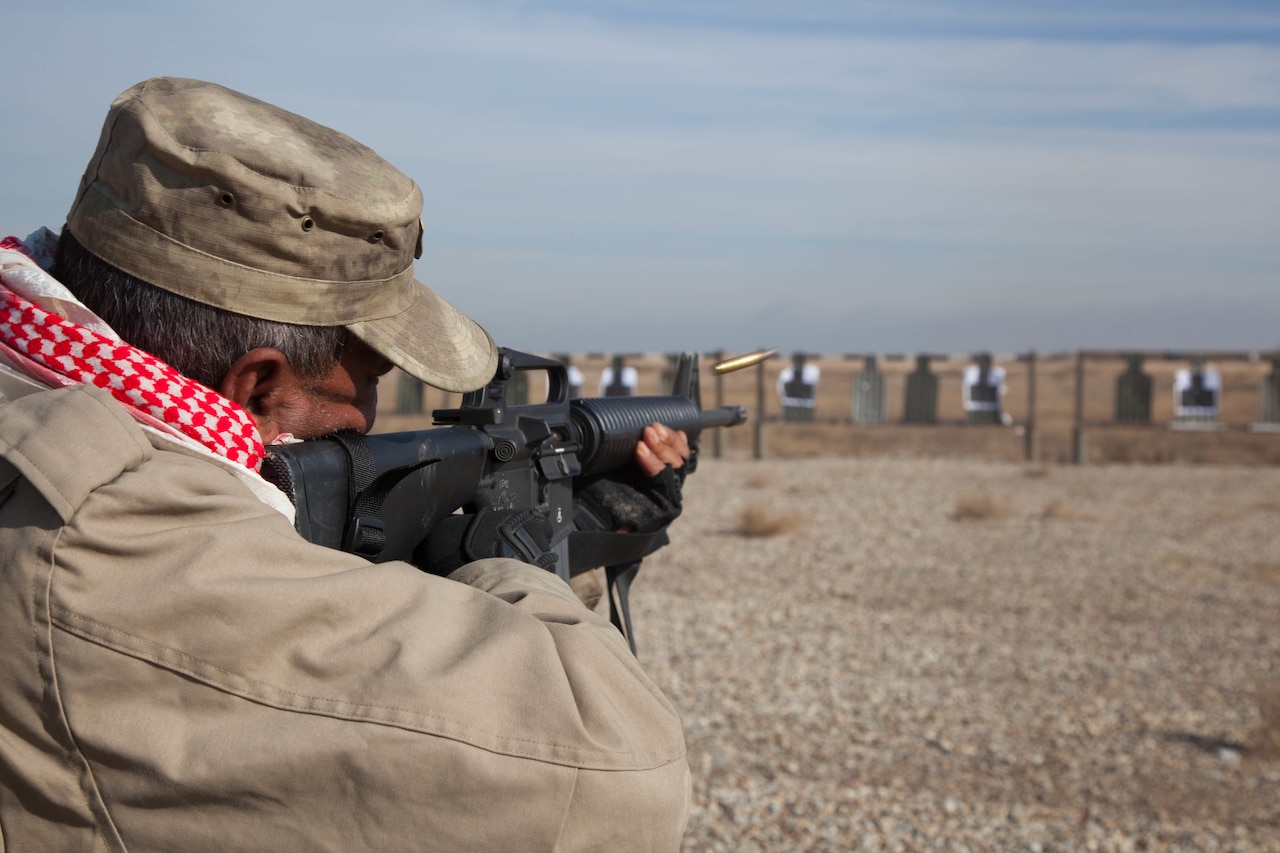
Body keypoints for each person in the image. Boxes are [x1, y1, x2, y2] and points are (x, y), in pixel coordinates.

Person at [0, 77, 691, 850]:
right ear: (257, 384)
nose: (364, 421)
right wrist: (509, 565)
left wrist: (579, 535)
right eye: (365, 380)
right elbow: (627, 768)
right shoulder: (134, 543)